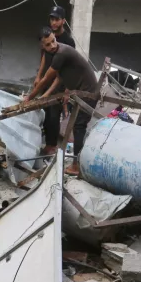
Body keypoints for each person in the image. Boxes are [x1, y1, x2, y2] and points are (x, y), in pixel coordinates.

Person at [23, 28, 100, 175]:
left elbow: (46, 79)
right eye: (48, 44)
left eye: (53, 40)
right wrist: (44, 96)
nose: (52, 45)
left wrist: (29, 98)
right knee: (77, 125)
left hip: (87, 92)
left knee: (79, 126)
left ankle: (76, 166)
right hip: (78, 91)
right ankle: (77, 162)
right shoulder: (53, 54)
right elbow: (59, 78)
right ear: (42, 46)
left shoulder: (61, 53)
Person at [34, 6, 76, 154]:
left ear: (63, 21)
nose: (54, 22)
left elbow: (70, 68)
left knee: (54, 113)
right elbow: (43, 58)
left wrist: (67, 90)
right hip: (46, 80)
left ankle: (51, 145)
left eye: (57, 19)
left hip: (60, 82)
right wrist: (38, 77)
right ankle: (48, 143)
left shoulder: (68, 41)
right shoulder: (47, 36)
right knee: (44, 112)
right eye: (52, 19)